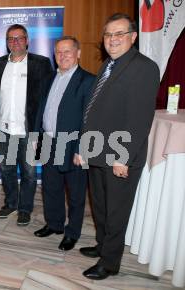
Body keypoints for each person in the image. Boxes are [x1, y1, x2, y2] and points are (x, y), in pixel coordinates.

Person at [78, 13, 160, 280]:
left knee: (116, 212)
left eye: (119, 34)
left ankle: (110, 263)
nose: (112, 40)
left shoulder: (144, 67)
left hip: (119, 156)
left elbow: (138, 119)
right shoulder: (109, 65)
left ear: (133, 37)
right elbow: (94, 112)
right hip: (97, 151)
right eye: (108, 35)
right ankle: (102, 246)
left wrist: (121, 158)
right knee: (100, 207)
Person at [33, 36, 95, 251]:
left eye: (68, 51)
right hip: (49, 141)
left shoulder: (88, 80)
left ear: (78, 53)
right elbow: (41, 109)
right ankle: (54, 224)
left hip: (73, 145)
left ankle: (72, 232)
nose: (63, 55)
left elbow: (90, 119)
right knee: (51, 187)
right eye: (59, 52)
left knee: (76, 192)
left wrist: (82, 149)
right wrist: (35, 136)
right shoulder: (49, 78)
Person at [0, 24, 52, 226]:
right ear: (6, 42)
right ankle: (10, 203)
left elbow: (46, 98)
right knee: (7, 169)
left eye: (19, 38)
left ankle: (25, 208)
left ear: (27, 40)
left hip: (28, 130)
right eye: (10, 38)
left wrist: (39, 131)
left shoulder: (41, 63)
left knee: (28, 172)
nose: (15, 42)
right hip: (3, 128)